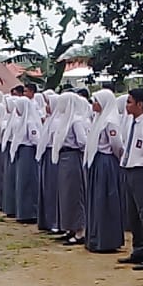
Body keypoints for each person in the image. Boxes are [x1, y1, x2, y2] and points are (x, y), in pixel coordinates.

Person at [117, 88, 143, 271]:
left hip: (141, 171)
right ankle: (138, 249)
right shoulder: (130, 123)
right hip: (128, 169)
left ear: (140, 104)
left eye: (130, 102)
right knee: (132, 213)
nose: (127, 105)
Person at [82, 90, 125, 253]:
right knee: (96, 201)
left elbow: (117, 145)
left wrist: (114, 159)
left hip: (106, 162)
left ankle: (106, 239)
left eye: (96, 101)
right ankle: (95, 237)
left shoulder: (110, 121)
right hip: (97, 161)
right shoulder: (98, 119)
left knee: (105, 201)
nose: (93, 104)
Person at [48, 91, 89, 246]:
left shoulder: (76, 121)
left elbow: (83, 141)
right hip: (64, 158)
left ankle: (80, 231)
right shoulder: (65, 120)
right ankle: (70, 228)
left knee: (74, 194)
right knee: (66, 195)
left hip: (72, 157)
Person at [13, 92, 43, 224]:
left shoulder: (30, 122)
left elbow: (35, 139)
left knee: (29, 182)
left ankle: (31, 212)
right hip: (23, 151)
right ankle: (23, 212)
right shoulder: (22, 120)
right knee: (22, 183)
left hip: (29, 152)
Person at [36, 92, 61, 235]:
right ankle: (47, 220)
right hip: (47, 154)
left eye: (49, 104)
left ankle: (54, 221)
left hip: (53, 155)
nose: (46, 107)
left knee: (52, 189)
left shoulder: (57, 122)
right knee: (47, 189)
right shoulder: (50, 120)